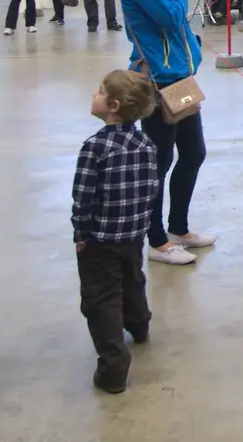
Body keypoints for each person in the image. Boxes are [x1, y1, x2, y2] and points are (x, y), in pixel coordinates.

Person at [115, 0, 214, 266]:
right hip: (155, 83)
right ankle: (156, 240)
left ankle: (179, 227)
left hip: (180, 81)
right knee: (158, 162)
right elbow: (170, 19)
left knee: (193, 153)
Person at [72, 69, 159, 394]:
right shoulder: (145, 143)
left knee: (102, 298)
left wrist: (81, 236)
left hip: (100, 239)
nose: (93, 94)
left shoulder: (94, 148)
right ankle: (139, 324)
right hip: (133, 233)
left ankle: (113, 367)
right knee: (132, 277)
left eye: (99, 90)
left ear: (114, 105)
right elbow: (152, 188)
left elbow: (83, 198)